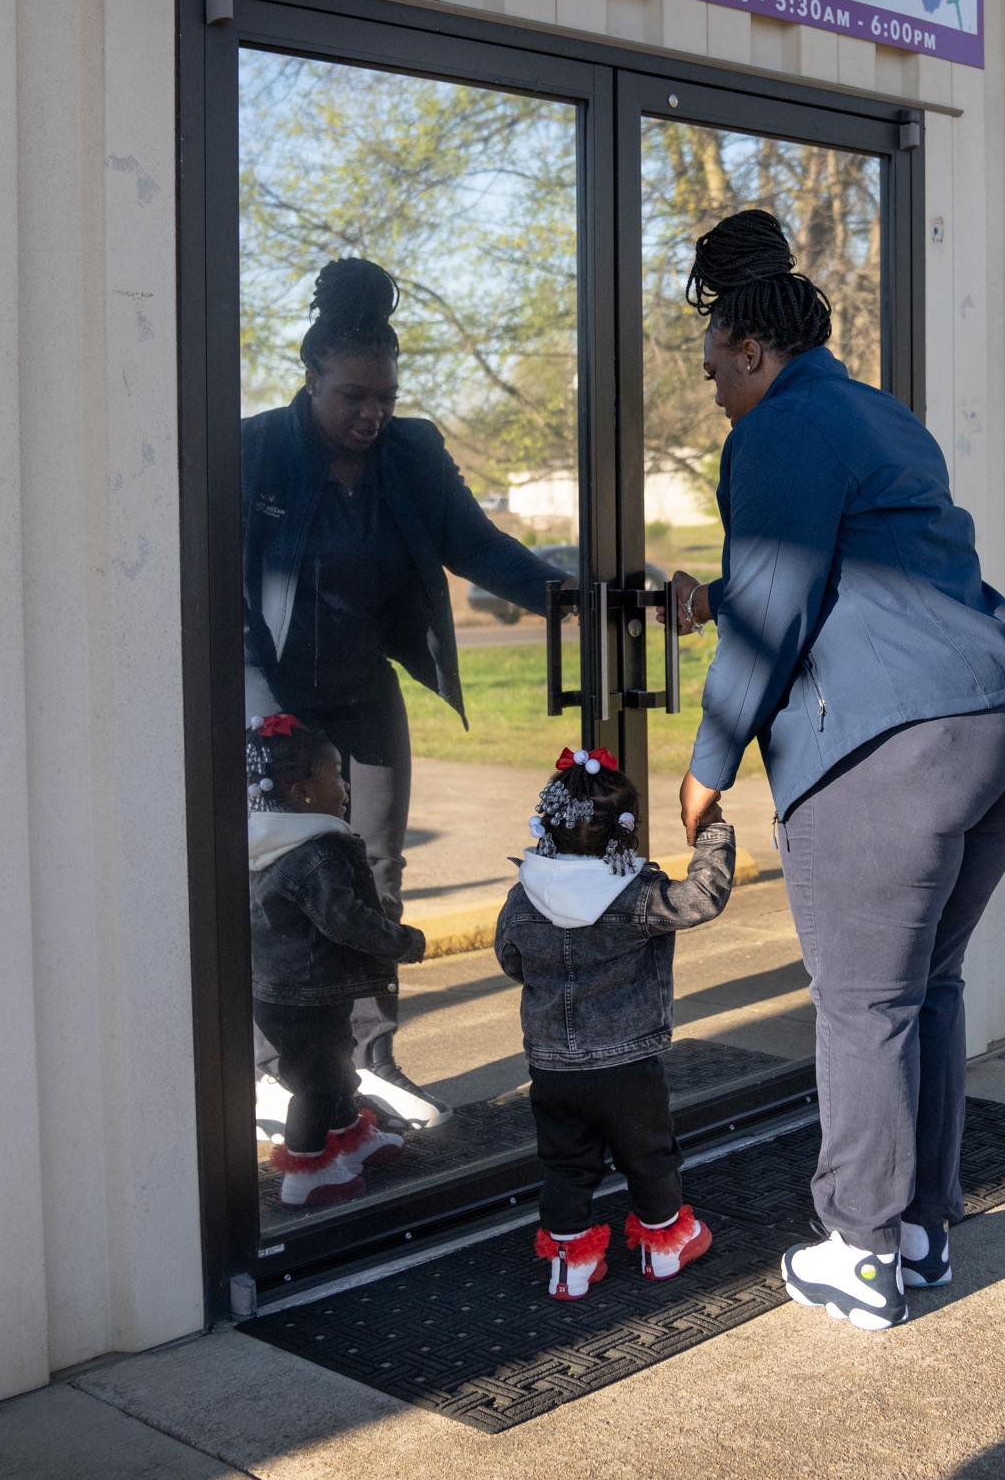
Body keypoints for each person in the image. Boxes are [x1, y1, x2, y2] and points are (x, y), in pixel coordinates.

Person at [669, 210, 1005, 1330]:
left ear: (750, 349)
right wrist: (725, 592)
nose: (713, 395)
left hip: (902, 741)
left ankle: (857, 1249)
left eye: (713, 374)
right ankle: (921, 1229)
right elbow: (842, 574)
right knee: (921, 986)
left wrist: (707, 764)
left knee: (860, 1002)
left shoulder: (779, 427)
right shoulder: (874, 411)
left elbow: (783, 607)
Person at [242, 258, 561, 1133]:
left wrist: (575, 599)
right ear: (310, 381)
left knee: (375, 875)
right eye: (351, 395)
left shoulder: (410, 452)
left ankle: (369, 1057)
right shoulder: (256, 449)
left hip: (361, 692)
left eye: (382, 395)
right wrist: (263, 715)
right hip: (275, 707)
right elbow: (225, 591)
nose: (370, 413)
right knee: (282, 885)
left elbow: (481, 548)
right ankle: (278, 1068)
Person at [493, 746, 733, 1300]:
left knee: (566, 1164)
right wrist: (712, 831)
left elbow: (512, 960)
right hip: (626, 1064)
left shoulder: (523, 895)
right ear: (626, 834)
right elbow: (702, 898)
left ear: (547, 828)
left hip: (551, 1065)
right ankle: (664, 1249)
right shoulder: (638, 894)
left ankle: (569, 1268)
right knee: (648, 1155)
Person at [247, 715, 419, 1208]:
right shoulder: (314, 855)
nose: (345, 786)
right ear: (303, 793)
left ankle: (350, 1134)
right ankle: (306, 1170)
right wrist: (402, 942)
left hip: (288, 991)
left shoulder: (262, 845)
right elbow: (347, 921)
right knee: (314, 1085)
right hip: (307, 992)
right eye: (335, 774)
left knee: (334, 1061)